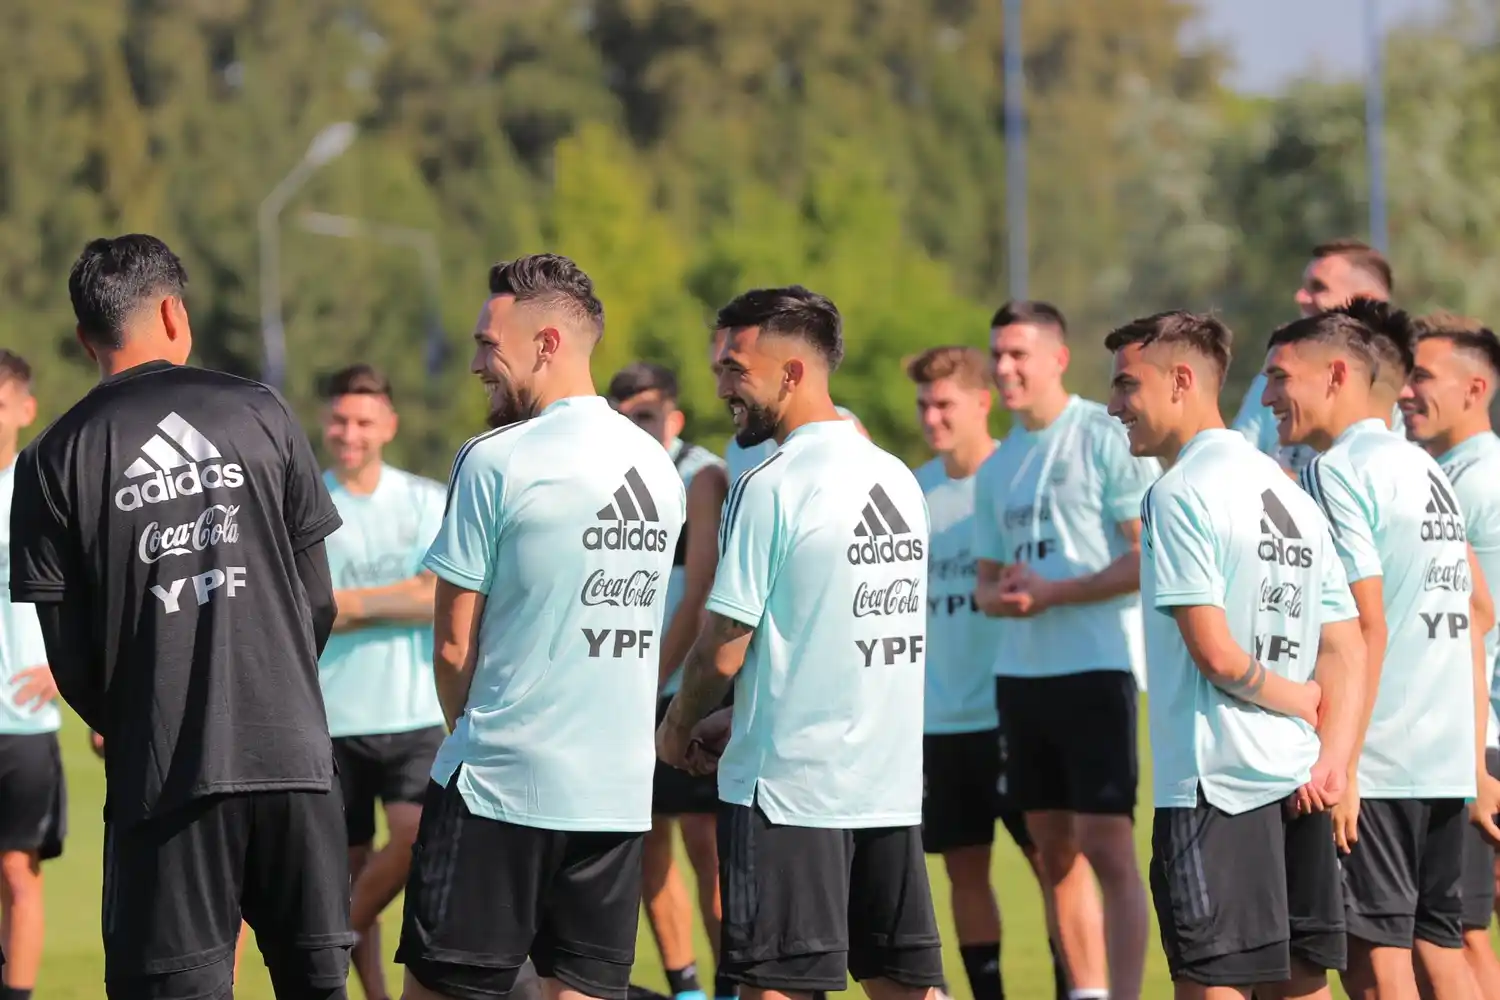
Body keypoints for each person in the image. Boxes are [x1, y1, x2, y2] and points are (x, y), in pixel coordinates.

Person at [7, 233, 354, 999]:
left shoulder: (52, 459)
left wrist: (141, 720)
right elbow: (318, 598)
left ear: (84, 338)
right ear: (173, 313)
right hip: (293, 764)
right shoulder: (261, 411)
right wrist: (278, 688)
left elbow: (70, 658)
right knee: (316, 983)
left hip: (163, 777)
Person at [394, 253, 686, 1000]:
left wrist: (474, 735)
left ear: (547, 343)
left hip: (501, 785)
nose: (476, 365)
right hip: (616, 795)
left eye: (488, 345)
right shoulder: (658, 466)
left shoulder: (495, 458)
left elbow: (453, 644)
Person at [657, 286, 944, 1000]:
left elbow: (725, 642)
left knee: (775, 989)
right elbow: (837, 641)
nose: (722, 388)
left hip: (788, 795)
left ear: (792, 373)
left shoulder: (773, 484)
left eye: (735, 369)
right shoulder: (896, 478)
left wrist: (678, 725)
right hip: (885, 788)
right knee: (906, 986)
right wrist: (745, 712)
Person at [1104, 309, 1365, 998]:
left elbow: (1216, 656)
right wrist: (1332, 762)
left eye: (1126, 385)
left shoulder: (1179, 493)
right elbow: (1346, 643)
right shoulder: (1289, 492)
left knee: (1213, 983)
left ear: (1181, 381)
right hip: (1300, 784)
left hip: (1216, 787)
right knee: (1302, 984)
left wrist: (1300, 698)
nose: (1113, 406)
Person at [1260, 299, 1500, 999]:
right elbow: (1478, 611)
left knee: (1375, 967)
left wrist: (1345, 763)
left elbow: (1365, 625)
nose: (1267, 396)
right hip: (1441, 760)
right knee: (1439, 949)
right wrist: (1470, 757)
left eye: (1280, 377)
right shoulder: (1427, 470)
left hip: (1383, 763)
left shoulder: (1337, 472)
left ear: (1336, 374)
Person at [973, 300, 1154, 1000]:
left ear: (1057, 358)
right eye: (998, 354)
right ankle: (1086, 993)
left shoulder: (1101, 434)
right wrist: (1009, 596)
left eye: (1018, 354)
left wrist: (1056, 592)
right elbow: (986, 586)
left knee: (1107, 847)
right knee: (1052, 854)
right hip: (1021, 677)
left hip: (1096, 668)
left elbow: (1144, 559)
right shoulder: (997, 466)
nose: (1005, 367)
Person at [906, 344, 1072, 1000]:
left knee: (1053, 863)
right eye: (924, 405)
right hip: (940, 721)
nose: (932, 418)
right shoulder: (911, 491)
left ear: (981, 402)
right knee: (963, 870)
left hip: (1013, 712)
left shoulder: (1015, 479)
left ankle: (1074, 988)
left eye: (944, 404)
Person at [316, 364, 448, 1000]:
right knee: (347, 865)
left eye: (364, 421)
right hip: (330, 714)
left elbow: (438, 597)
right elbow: (308, 607)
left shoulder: (424, 500)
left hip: (412, 710)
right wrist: (397, 596)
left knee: (415, 837)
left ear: (389, 425)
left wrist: (353, 605)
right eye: (341, 420)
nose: (351, 433)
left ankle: (330, 935)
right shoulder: (305, 504)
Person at [606, 362, 733, 1000]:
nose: (635, 427)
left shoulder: (700, 476)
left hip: (693, 688)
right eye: (623, 416)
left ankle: (730, 984)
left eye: (647, 416)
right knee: (647, 842)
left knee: (709, 846)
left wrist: (652, 680)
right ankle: (686, 988)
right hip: (631, 688)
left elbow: (700, 595)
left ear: (674, 418)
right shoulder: (604, 473)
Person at [1399, 313, 1500, 996]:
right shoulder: (1448, 473)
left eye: (1422, 377)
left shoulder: (1475, 483)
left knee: (1452, 935)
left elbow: (1479, 617)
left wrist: (1479, 758)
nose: (1405, 391)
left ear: (1475, 389)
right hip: (1462, 732)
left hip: (1472, 735)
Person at [0, 351, 64, 1000]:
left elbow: (91, 589)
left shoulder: (42, 490)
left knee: (18, 871)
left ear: (25, 410)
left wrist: (63, 667)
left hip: (22, 720)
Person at [1231, 239, 1402, 475]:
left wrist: (1289, 485)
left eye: (1319, 287)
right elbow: (1237, 467)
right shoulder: (1270, 379)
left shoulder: (1404, 388)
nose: (1300, 297)